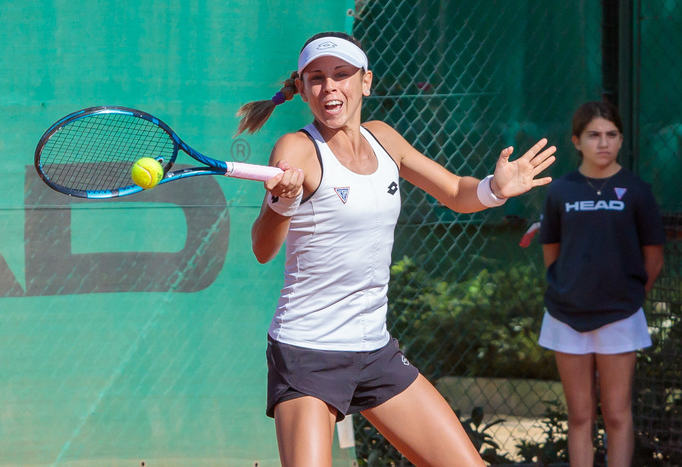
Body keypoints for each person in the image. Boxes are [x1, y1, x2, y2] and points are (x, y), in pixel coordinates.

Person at [237, 31, 557, 467]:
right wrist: (283, 201)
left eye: (341, 74)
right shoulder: (297, 148)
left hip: (374, 350)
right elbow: (262, 247)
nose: (330, 87)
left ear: (365, 82)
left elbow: (455, 192)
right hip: (307, 353)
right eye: (316, 78)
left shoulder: (384, 138)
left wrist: (494, 189)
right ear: (304, 88)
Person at [538, 101, 665, 467]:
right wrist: (572, 291)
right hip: (566, 317)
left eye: (611, 135)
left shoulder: (637, 191)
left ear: (621, 139)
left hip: (621, 318)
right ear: (576, 141)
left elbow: (653, 258)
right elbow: (552, 254)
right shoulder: (560, 191)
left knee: (617, 414)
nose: (603, 143)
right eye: (594, 135)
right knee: (579, 416)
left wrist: (627, 300)